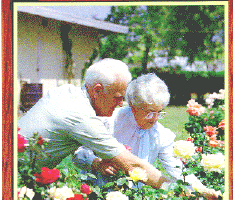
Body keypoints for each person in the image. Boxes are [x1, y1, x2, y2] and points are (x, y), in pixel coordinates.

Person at [18, 59, 174, 190]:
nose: (121, 104)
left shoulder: (67, 92)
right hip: (11, 174)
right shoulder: (82, 117)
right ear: (97, 90)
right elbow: (133, 165)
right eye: (117, 97)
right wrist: (179, 191)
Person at [74, 73, 221, 200]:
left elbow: (177, 168)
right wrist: (96, 163)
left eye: (160, 112)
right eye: (150, 112)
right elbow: (78, 151)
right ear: (133, 107)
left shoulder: (160, 134)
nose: (155, 119)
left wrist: (202, 190)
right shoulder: (110, 120)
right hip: (96, 194)